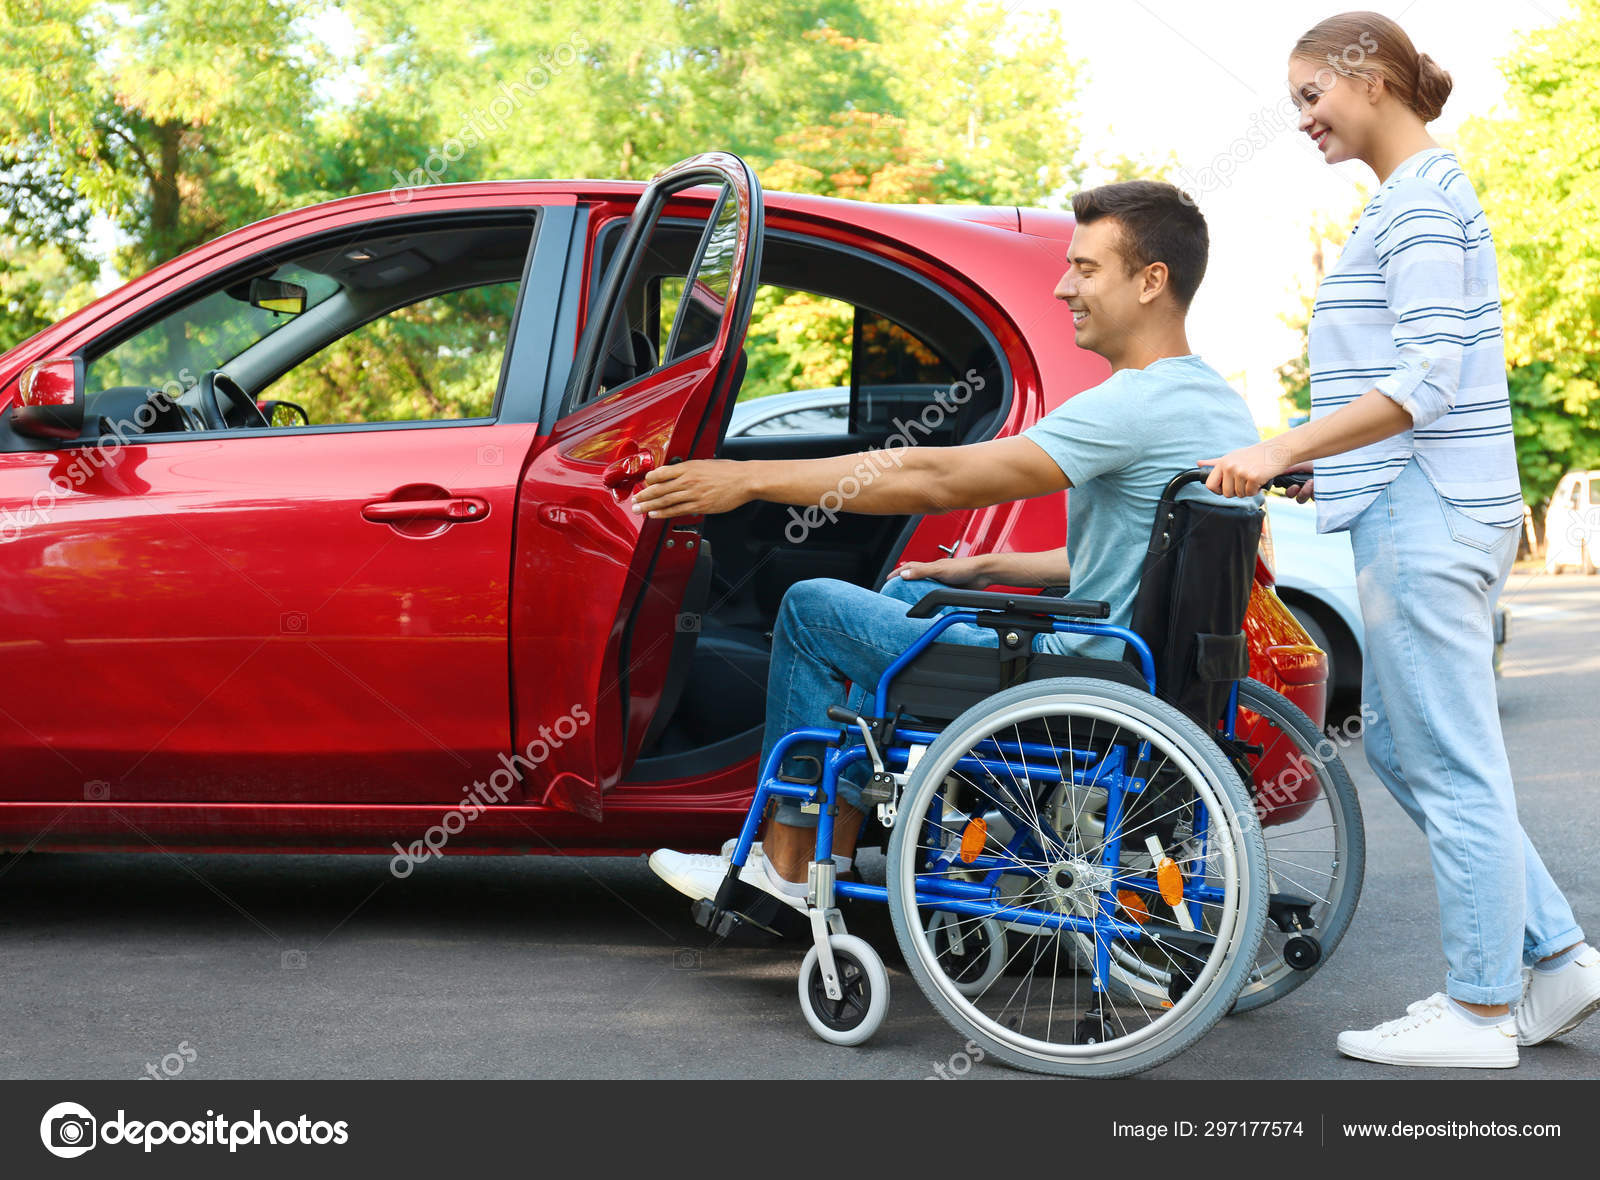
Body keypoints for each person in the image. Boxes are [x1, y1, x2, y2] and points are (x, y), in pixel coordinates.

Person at [639, 180, 1261, 912]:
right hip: (1139, 669)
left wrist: (747, 480)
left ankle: (786, 861)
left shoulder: (1130, 405)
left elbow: (937, 478)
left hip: (1076, 682)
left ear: (1153, 281)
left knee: (812, 611)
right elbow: (1144, 561)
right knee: (909, 594)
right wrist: (983, 565)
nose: (1065, 287)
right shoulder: (1215, 401)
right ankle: (831, 852)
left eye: (1086, 269)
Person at [1203, 11, 1598, 1068]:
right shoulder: (1412, 202)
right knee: (1399, 743)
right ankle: (1554, 957)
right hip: (1414, 505)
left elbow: (1423, 380)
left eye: (1308, 96)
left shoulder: (1419, 205)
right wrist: (1304, 456)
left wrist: (1286, 439)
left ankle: (1477, 1012)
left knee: (1446, 757)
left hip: (1425, 513)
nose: (1300, 120)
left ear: (1367, 78)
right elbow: (1418, 381)